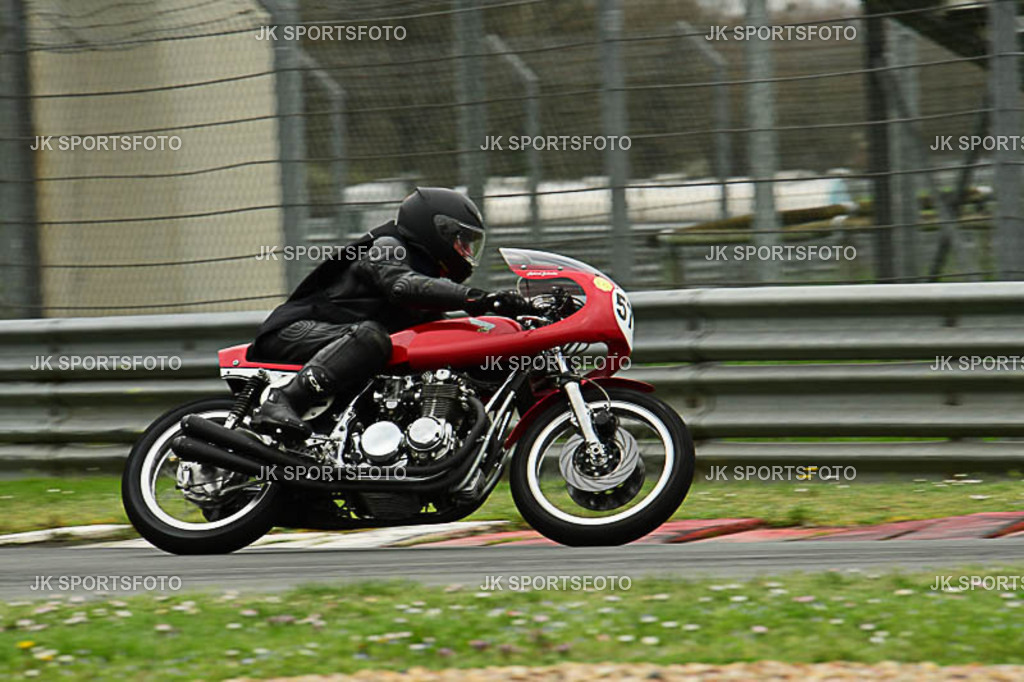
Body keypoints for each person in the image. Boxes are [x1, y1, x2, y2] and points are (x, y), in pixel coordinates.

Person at [248, 187, 530, 441]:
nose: (466, 251)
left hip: (339, 344)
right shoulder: (389, 247)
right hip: (295, 331)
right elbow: (402, 285)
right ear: (437, 230)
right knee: (371, 337)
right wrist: (476, 298)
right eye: (461, 241)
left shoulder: (426, 273)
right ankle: (282, 401)